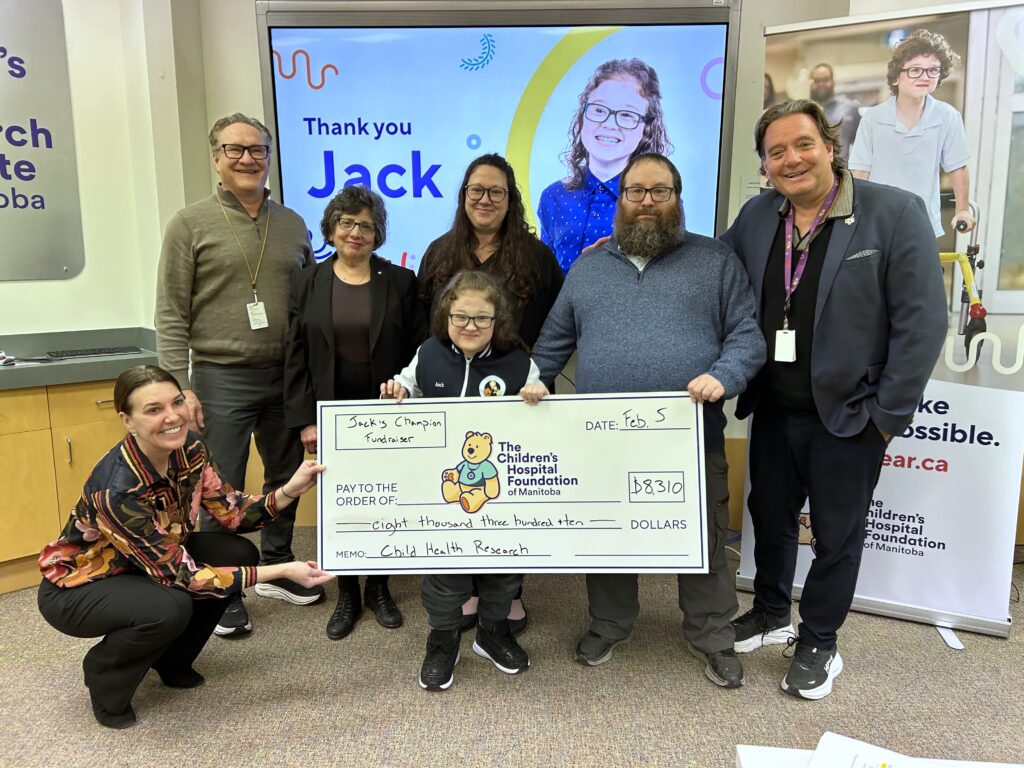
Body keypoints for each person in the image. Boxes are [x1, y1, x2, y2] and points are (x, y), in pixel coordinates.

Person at [721, 99, 947, 700]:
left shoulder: (894, 213)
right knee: (769, 519)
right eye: (776, 152)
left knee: (835, 534)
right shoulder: (759, 214)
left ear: (829, 144)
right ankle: (770, 613)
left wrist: (886, 418)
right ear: (765, 165)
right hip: (773, 406)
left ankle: (819, 637)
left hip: (850, 415)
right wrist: (619, 245)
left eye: (802, 144)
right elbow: (707, 265)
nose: (791, 159)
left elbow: (922, 324)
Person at [530, 152, 766, 689]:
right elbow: (552, 343)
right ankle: (610, 624)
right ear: (621, 200)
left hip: (687, 435)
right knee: (608, 534)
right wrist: (537, 381)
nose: (647, 202)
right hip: (603, 442)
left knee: (702, 537)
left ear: (677, 200)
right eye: (636, 192)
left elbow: (746, 336)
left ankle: (711, 635)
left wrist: (724, 375)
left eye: (660, 192)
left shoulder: (716, 261)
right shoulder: (588, 268)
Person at [36, 365, 332, 729]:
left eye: (176, 402)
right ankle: (104, 675)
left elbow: (233, 513)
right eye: (153, 409)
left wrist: (292, 488)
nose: (172, 416)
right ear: (127, 421)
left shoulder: (190, 448)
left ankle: (172, 660)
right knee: (169, 605)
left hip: (149, 563)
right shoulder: (117, 489)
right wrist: (285, 570)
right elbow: (184, 577)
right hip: (82, 585)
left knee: (237, 553)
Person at [156, 113, 323, 638]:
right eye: (235, 150)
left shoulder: (294, 223)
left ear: (269, 157)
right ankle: (220, 585)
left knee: (286, 475)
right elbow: (170, 311)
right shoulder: (190, 223)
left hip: (285, 375)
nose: (247, 158)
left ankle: (277, 567)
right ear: (216, 157)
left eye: (257, 149)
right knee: (216, 485)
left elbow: (310, 304)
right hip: (218, 375)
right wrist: (177, 388)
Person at [418, 153, 563, 633]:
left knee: (507, 492)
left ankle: (508, 591)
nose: (485, 199)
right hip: (452, 397)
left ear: (510, 199)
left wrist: (539, 377)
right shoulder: (439, 253)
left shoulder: (537, 257)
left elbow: (554, 327)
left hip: (518, 398)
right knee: (461, 488)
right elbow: (427, 331)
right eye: (476, 190)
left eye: (496, 192)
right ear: (463, 197)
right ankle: (464, 589)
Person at [380, 270, 544, 690]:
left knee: (502, 573)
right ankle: (443, 639)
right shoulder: (429, 353)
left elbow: (544, 421)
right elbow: (406, 386)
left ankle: (492, 633)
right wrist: (397, 391)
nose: (471, 327)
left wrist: (537, 396)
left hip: (501, 497)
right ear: (445, 315)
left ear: (498, 319)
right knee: (444, 576)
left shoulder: (519, 362)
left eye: (482, 318)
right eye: (460, 317)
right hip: (444, 495)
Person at [284, 185, 428, 641]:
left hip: (385, 413)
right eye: (346, 223)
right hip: (331, 414)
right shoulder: (306, 281)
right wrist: (306, 419)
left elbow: (416, 351)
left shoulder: (401, 282)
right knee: (341, 502)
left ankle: (379, 588)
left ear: (378, 233)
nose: (355, 232)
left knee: (385, 498)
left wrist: (406, 389)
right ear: (331, 228)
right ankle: (347, 592)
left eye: (366, 225)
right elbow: (294, 353)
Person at [537, 58, 673, 273]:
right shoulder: (553, 196)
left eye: (627, 115)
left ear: (646, 128)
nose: (609, 124)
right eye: (599, 110)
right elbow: (544, 276)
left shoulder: (659, 201)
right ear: (582, 117)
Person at [849, 30, 975, 237]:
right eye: (915, 70)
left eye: (933, 70)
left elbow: (958, 167)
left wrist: (962, 210)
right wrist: (855, 216)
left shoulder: (948, 116)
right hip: (877, 222)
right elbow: (860, 173)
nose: (924, 77)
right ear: (896, 77)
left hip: (923, 222)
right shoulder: (873, 118)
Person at [808, 63, 861, 162]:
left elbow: (862, 143)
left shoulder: (850, 108)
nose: (821, 84)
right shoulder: (804, 112)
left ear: (833, 81)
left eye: (825, 80)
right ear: (811, 83)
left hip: (842, 174)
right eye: (817, 80)